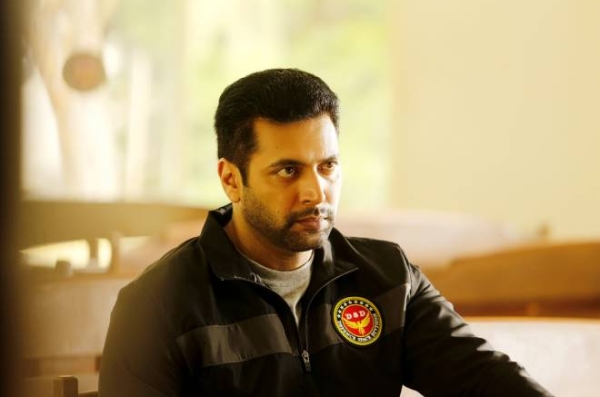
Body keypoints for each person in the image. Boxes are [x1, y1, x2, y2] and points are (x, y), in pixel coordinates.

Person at [99, 68, 552, 396]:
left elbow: (486, 379)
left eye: (328, 166)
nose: (315, 192)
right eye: (288, 170)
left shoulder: (388, 278)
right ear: (231, 179)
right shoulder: (157, 304)